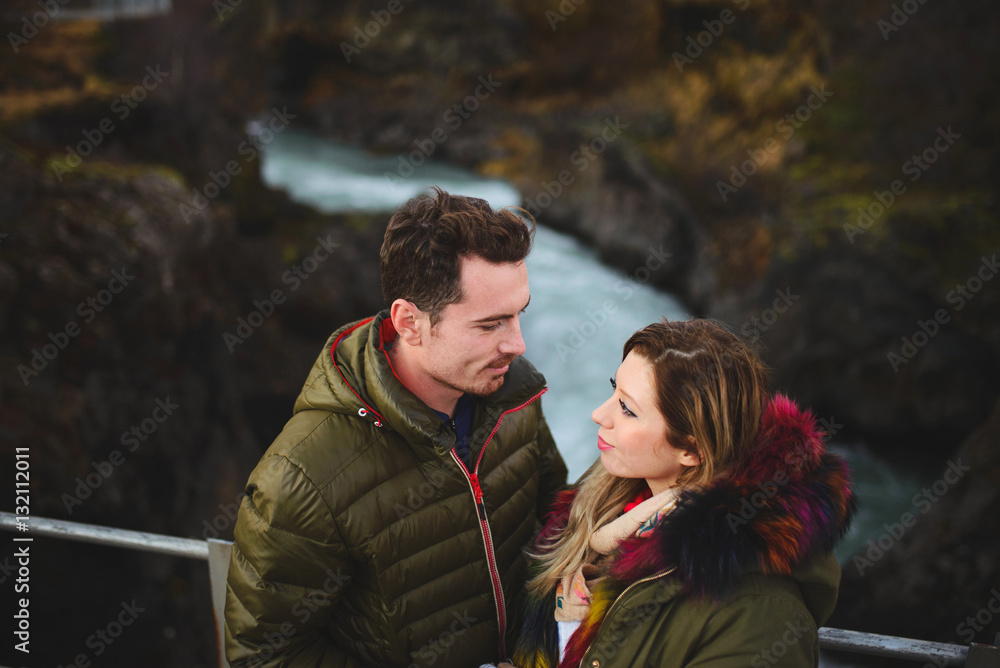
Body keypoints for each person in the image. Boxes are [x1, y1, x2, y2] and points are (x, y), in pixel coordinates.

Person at [225, 187, 568, 667]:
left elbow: (554, 511)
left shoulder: (513, 394)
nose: (518, 345)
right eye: (490, 325)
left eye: (519, 315)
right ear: (410, 322)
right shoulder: (300, 477)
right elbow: (266, 658)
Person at [510, 319, 856, 668]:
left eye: (628, 409)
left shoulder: (757, 611)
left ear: (691, 450)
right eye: (614, 389)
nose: (599, 414)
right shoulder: (603, 501)